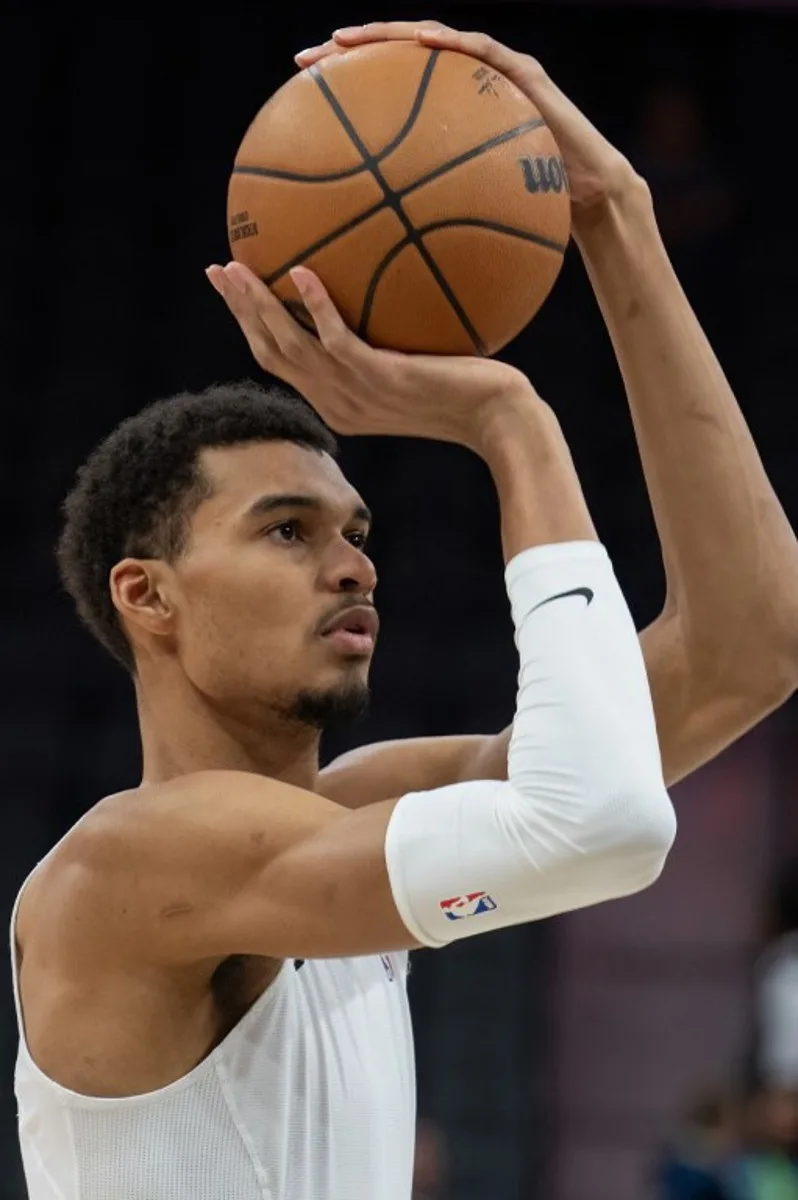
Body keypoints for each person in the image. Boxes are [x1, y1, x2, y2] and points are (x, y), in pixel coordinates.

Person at [10, 20, 798, 1200]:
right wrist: (510, 423)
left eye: (358, 534)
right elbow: (601, 826)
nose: (352, 565)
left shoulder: (350, 814)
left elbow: (753, 647)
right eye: (288, 530)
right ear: (147, 594)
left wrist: (617, 223)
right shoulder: (126, 864)